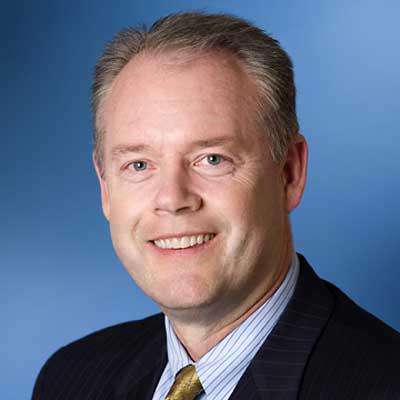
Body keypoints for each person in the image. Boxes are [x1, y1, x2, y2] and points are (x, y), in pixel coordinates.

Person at [32, 11, 400, 400]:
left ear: (289, 173)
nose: (172, 199)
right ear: (105, 187)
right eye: (138, 165)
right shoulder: (70, 379)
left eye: (212, 159)